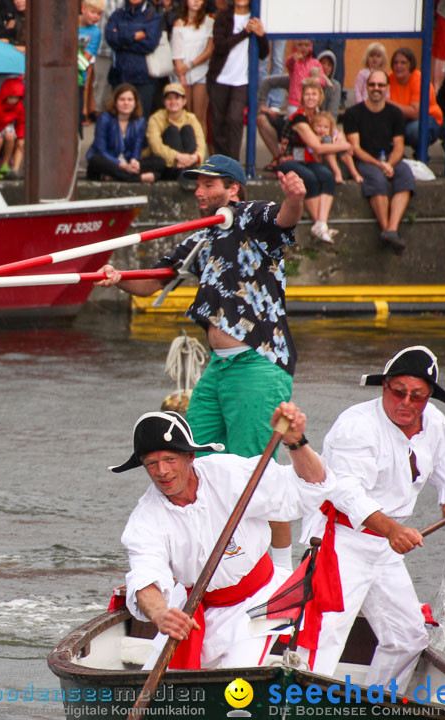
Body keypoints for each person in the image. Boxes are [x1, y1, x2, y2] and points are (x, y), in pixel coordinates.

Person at [98, 155, 306, 570]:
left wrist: (295, 198)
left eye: (208, 185)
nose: (198, 192)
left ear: (232, 188)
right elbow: (157, 279)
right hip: (220, 367)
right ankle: (213, 561)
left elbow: (284, 217)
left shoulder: (248, 215)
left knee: (257, 474)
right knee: (198, 459)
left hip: (258, 363)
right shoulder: (201, 234)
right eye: (197, 185)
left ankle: (281, 573)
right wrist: (120, 280)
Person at [117, 405, 330, 669]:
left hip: (256, 604)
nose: (162, 471)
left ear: (190, 456)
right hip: (193, 610)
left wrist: (296, 442)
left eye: (170, 459)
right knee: (156, 686)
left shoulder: (231, 474)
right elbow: (145, 575)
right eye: (151, 463)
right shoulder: (145, 518)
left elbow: (312, 485)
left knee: (235, 687)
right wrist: (162, 615)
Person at [303, 347, 445, 692]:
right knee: (325, 636)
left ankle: (373, 704)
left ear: (429, 396)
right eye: (397, 391)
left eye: (417, 396)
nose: (405, 402)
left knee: (408, 636)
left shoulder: (434, 423)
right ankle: (302, 709)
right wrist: (391, 529)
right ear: (384, 386)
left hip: (387, 548)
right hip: (344, 540)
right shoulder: (356, 426)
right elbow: (347, 492)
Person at [343, 70, 415, 255]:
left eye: (381, 85)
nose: (376, 88)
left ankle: (391, 229)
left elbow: (399, 146)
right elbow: (355, 148)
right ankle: (388, 231)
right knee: (377, 179)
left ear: (387, 88)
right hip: (366, 161)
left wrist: (390, 164)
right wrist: (380, 165)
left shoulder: (395, 113)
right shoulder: (353, 113)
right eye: (373, 84)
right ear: (366, 87)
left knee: (405, 175)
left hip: (389, 159)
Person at [272, 78, 350, 244]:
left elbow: (333, 132)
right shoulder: (299, 118)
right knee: (309, 178)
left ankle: (322, 223)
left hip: (309, 160)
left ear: (320, 97)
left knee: (327, 176)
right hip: (290, 159)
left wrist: (339, 139)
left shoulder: (319, 117)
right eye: (307, 94)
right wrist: (345, 145)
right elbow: (318, 147)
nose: (310, 97)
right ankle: (320, 225)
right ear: (302, 97)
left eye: (314, 94)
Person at [206, 0, 267, 160]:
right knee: (218, 123)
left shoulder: (256, 18)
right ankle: (221, 164)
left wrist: (261, 36)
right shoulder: (223, 17)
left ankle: (232, 165)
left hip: (242, 80)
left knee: (234, 119)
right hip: (219, 78)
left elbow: (264, 53)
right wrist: (244, 32)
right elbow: (220, 46)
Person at [87, 82, 163, 182]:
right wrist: (123, 166)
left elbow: (137, 147)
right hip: (110, 162)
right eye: (122, 99)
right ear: (115, 102)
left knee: (159, 162)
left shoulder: (139, 122)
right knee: (95, 160)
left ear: (135, 103)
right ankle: (138, 178)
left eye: (130, 100)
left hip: (127, 162)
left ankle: (114, 177)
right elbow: (101, 150)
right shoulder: (104, 118)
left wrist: (133, 162)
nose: (126, 103)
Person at [104, 0, 161, 117]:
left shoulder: (153, 17)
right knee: (117, 119)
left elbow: (149, 45)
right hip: (119, 74)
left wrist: (122, 40)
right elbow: (111, 39)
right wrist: (135, 35)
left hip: (144, 76)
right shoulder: (117, 15)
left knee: (141, 119)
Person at [388, 47, 443, 160]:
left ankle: (421, 155)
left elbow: (416, 113)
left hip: (427, 120)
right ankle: (394, 155)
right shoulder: (388, 79)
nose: (398, 66)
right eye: (396, 62)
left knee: (415, 129)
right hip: (399, 120)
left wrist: (389, 103)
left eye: (403, 63)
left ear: (411, 64)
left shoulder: (418, 79)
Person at [145, 81, 205, 180]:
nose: (173, 102)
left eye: (177, 98)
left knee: (187, 129)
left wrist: (194, 157)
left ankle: (188, 170)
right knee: (171, 131)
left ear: (184, 101)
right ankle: (181, 171)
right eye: (169, 99)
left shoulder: (191, 118)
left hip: (189, 162)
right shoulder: (156, 118)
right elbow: (156, 146)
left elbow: (201, 143)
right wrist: (178, 157)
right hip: (169, 165)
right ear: (164, 102)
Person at [170, 0, 212, 130]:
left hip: (202, 72)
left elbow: (209, 51)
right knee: (184, 116)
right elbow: (176, 54)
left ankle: (200, 149)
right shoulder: (179, 24)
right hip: (182, 74)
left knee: (199, 117)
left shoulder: (210, 23)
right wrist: (181, 74)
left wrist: (189, 65)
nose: (195, 1)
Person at [311, 110, 360, 189]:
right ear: (313, 126)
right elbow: (317, 160)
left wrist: (338, 145)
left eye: (325, 127)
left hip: (343, 168)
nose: (322, 129)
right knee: (327, 141)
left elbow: (350, 150)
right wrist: (326, 146)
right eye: (319, 126)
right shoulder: (313, 140)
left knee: (337, 144)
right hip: (326, 169)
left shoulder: (336, 135)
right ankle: (337, 173)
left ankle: (354, 173)